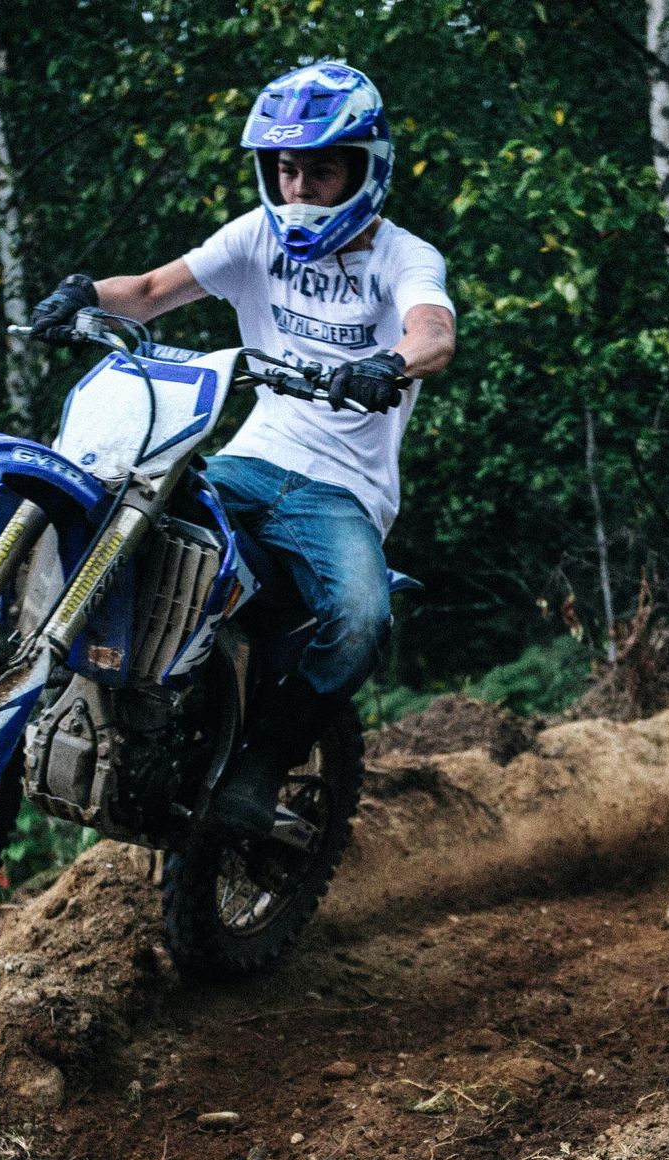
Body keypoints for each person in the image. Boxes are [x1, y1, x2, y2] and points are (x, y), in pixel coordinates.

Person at [28, 60, 456, 838]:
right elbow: (156, 290)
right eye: (286, 169)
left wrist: (388, 363)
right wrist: (85, 294)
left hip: (341, 494)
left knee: (361, 617)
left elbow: (434, 330)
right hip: (249, 460)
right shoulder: (257, 237)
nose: (298, 190)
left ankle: (259, 768)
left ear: (365, 168)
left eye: (320, 171)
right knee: (126, 520)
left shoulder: (405, 257)